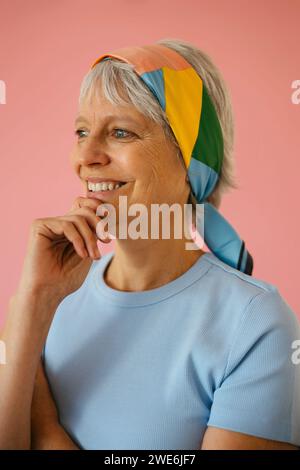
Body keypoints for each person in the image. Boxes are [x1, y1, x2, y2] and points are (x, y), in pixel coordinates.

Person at [0, 39, 299, 450]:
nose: (85, 155)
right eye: (82, 131)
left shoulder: (257, 323)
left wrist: (48, 433)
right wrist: (31, 308)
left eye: (121, 132)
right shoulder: (43, 300)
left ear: (191, 160)